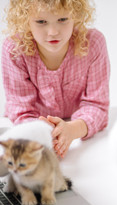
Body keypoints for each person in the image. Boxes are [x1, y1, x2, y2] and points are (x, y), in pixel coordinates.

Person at [1, 0, 110, 158]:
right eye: (41, 21)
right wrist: (44, 135)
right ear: (25, 19)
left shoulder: (93, 43)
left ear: (76, 16)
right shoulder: (15, 49)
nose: (52, 32)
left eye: (62, 20)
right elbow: (21, 109)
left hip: (79, 133)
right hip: (36, 133)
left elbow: (97, 106)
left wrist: (72, 129)